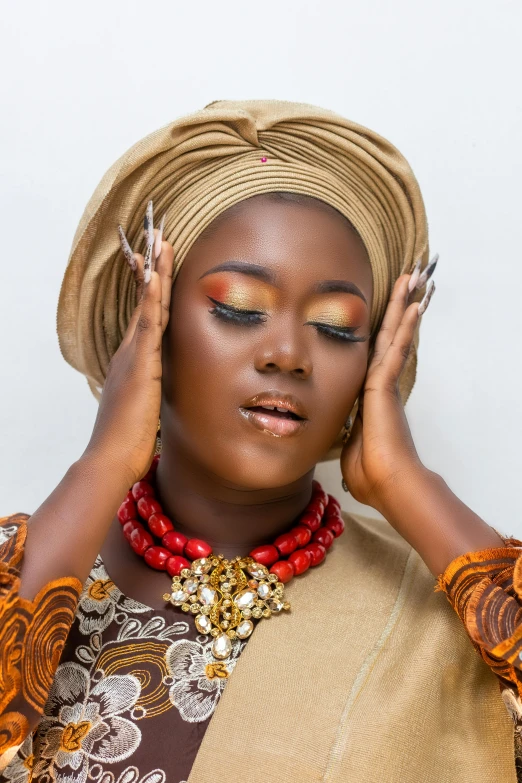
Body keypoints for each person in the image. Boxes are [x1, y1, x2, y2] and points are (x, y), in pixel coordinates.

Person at [1, 99, 522, 783]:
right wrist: (102, 464)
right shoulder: (34, 563)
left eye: (336, 327)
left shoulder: (444, 615)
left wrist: (409, 486)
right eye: (240, 308)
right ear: (149, 330)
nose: (288, 353)